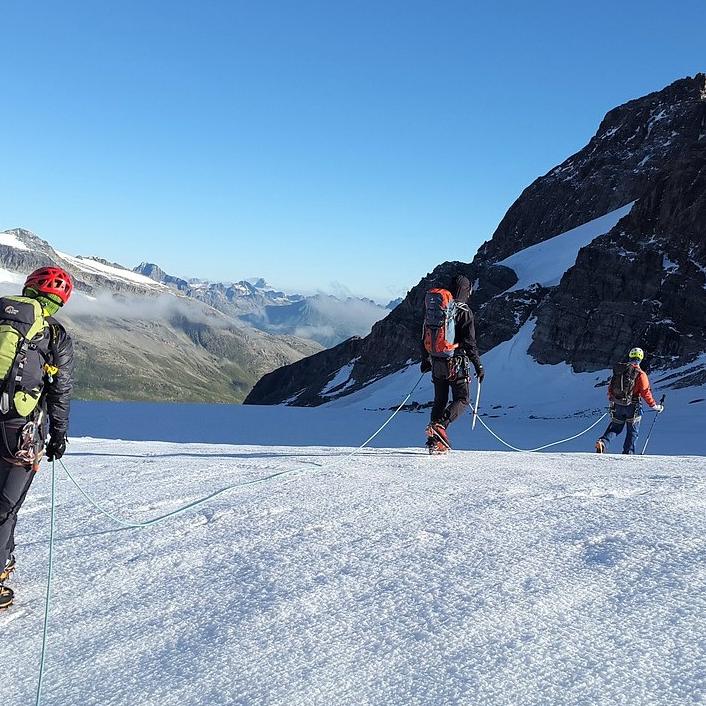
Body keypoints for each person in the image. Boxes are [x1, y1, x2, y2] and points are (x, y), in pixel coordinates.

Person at [0, 267, 74, 609]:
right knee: (5, 504)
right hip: (20, 431)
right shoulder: (54, 334)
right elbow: (60, 391)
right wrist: (58, 436)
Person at [420, 275, 483, 453]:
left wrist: (425, 359)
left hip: (437, 361)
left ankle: (434, 441)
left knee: (440, 399)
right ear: (465, 290)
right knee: (462, 399)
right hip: (456, 364)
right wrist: (478, 365)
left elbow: (424, 334)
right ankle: (441, 426)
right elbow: (469, 343)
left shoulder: (437, 308)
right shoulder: (464, 311)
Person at [595, 347, 663, 455]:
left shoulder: (620, 371)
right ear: (641, 358)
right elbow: (646, 392)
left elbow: (610, 387)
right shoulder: (640, 374)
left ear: (630, 356)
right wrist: (654, 406)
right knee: (632, 432)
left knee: (616, 427)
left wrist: (612, 399)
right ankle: (628, 453)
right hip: (633, 406)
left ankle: (603, 442)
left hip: (617, 404)